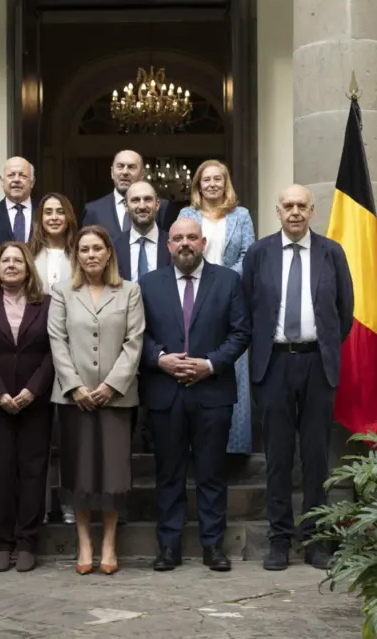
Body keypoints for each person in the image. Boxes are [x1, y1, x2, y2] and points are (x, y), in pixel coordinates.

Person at [241, 184, 354, 572]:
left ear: (312, 210)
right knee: (277, 456)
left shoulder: (331, 253)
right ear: (277, 210)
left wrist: (319, 347)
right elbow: (248, 307)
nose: (294, 212)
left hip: (316, 364)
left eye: (301, 206)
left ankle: (316, 540)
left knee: (316, 456)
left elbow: (345, 312)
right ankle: (278, 540)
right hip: (273, 365)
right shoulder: (258, 254)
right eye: (287, 205)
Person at [138, 218, 250, 572]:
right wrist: (160, 359)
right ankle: (168, 547)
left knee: (211, 472)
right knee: (168, 473)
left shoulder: (229, 281)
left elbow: (241, 331)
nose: (184, 244)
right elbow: (135, 334)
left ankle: (213, 546)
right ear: (167, 245)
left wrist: (210, 364)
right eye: (177, 239)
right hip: (164, 391)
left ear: (203, 243)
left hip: (212, 391)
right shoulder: (147, 284)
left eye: (191, 237)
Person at [47, 225, 144, 575]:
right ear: (77, 256)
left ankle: (109, 542)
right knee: (80, 470)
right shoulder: (62, 292)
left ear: (108, 254)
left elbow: (134, 342)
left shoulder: (130, 291)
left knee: (114, 473)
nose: (91, 255)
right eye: (84, 249)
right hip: (75, 399)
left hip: (116, 398)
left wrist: (112, 385)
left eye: (97, 249)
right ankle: (85, 540)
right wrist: (75, 386)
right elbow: (56, 341)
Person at [0, 242, 55, 573]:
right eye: (5, 260)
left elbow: (53, 351)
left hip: (35, 402)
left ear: (27, 267)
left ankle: (27, 542)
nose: (10, 265)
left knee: (33, 471)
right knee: (0, 472)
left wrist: (32, 390)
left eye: (17, 260)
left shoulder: (46, 304)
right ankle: (3, 542)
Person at [177, 160, 256, 455]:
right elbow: (181, 249)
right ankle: (191, 442)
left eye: (217, 179)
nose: (212, 184)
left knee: (231, 361)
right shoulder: (187, 214)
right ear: (198, 184)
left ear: (226, 183)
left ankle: (234, 445)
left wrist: (224, 280)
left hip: (230, 293)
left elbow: (249, 253)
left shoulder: (242, 215)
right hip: (192, 291)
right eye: (206, 179)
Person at [28, 192, 78, 525]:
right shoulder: (29, 255)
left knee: (72, 435)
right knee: (39, 435)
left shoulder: (81, 252)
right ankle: (41, 506)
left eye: (61, 211)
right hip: (35, 352)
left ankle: (73, 504)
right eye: (48, 212)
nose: (55, 217)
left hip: (75, 353)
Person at [82, 150, 173, 240]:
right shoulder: (93, 210)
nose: (125, 172)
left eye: (131, 167)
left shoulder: (162, 207)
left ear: (142, 174)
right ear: (112, 172)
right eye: (120, 167)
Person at [115, 180, 171, 282]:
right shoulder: (114, 246)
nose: (142, 206)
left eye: (148, 199)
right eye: (135, 200)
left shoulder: (173, 244)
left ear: (157, 205)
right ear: (126, 206)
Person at [0, 157, 37, 257]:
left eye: (23, 175)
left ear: (32, 182)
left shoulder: (44, 214)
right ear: (2, 181)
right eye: (11, 175)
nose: (16, 180)